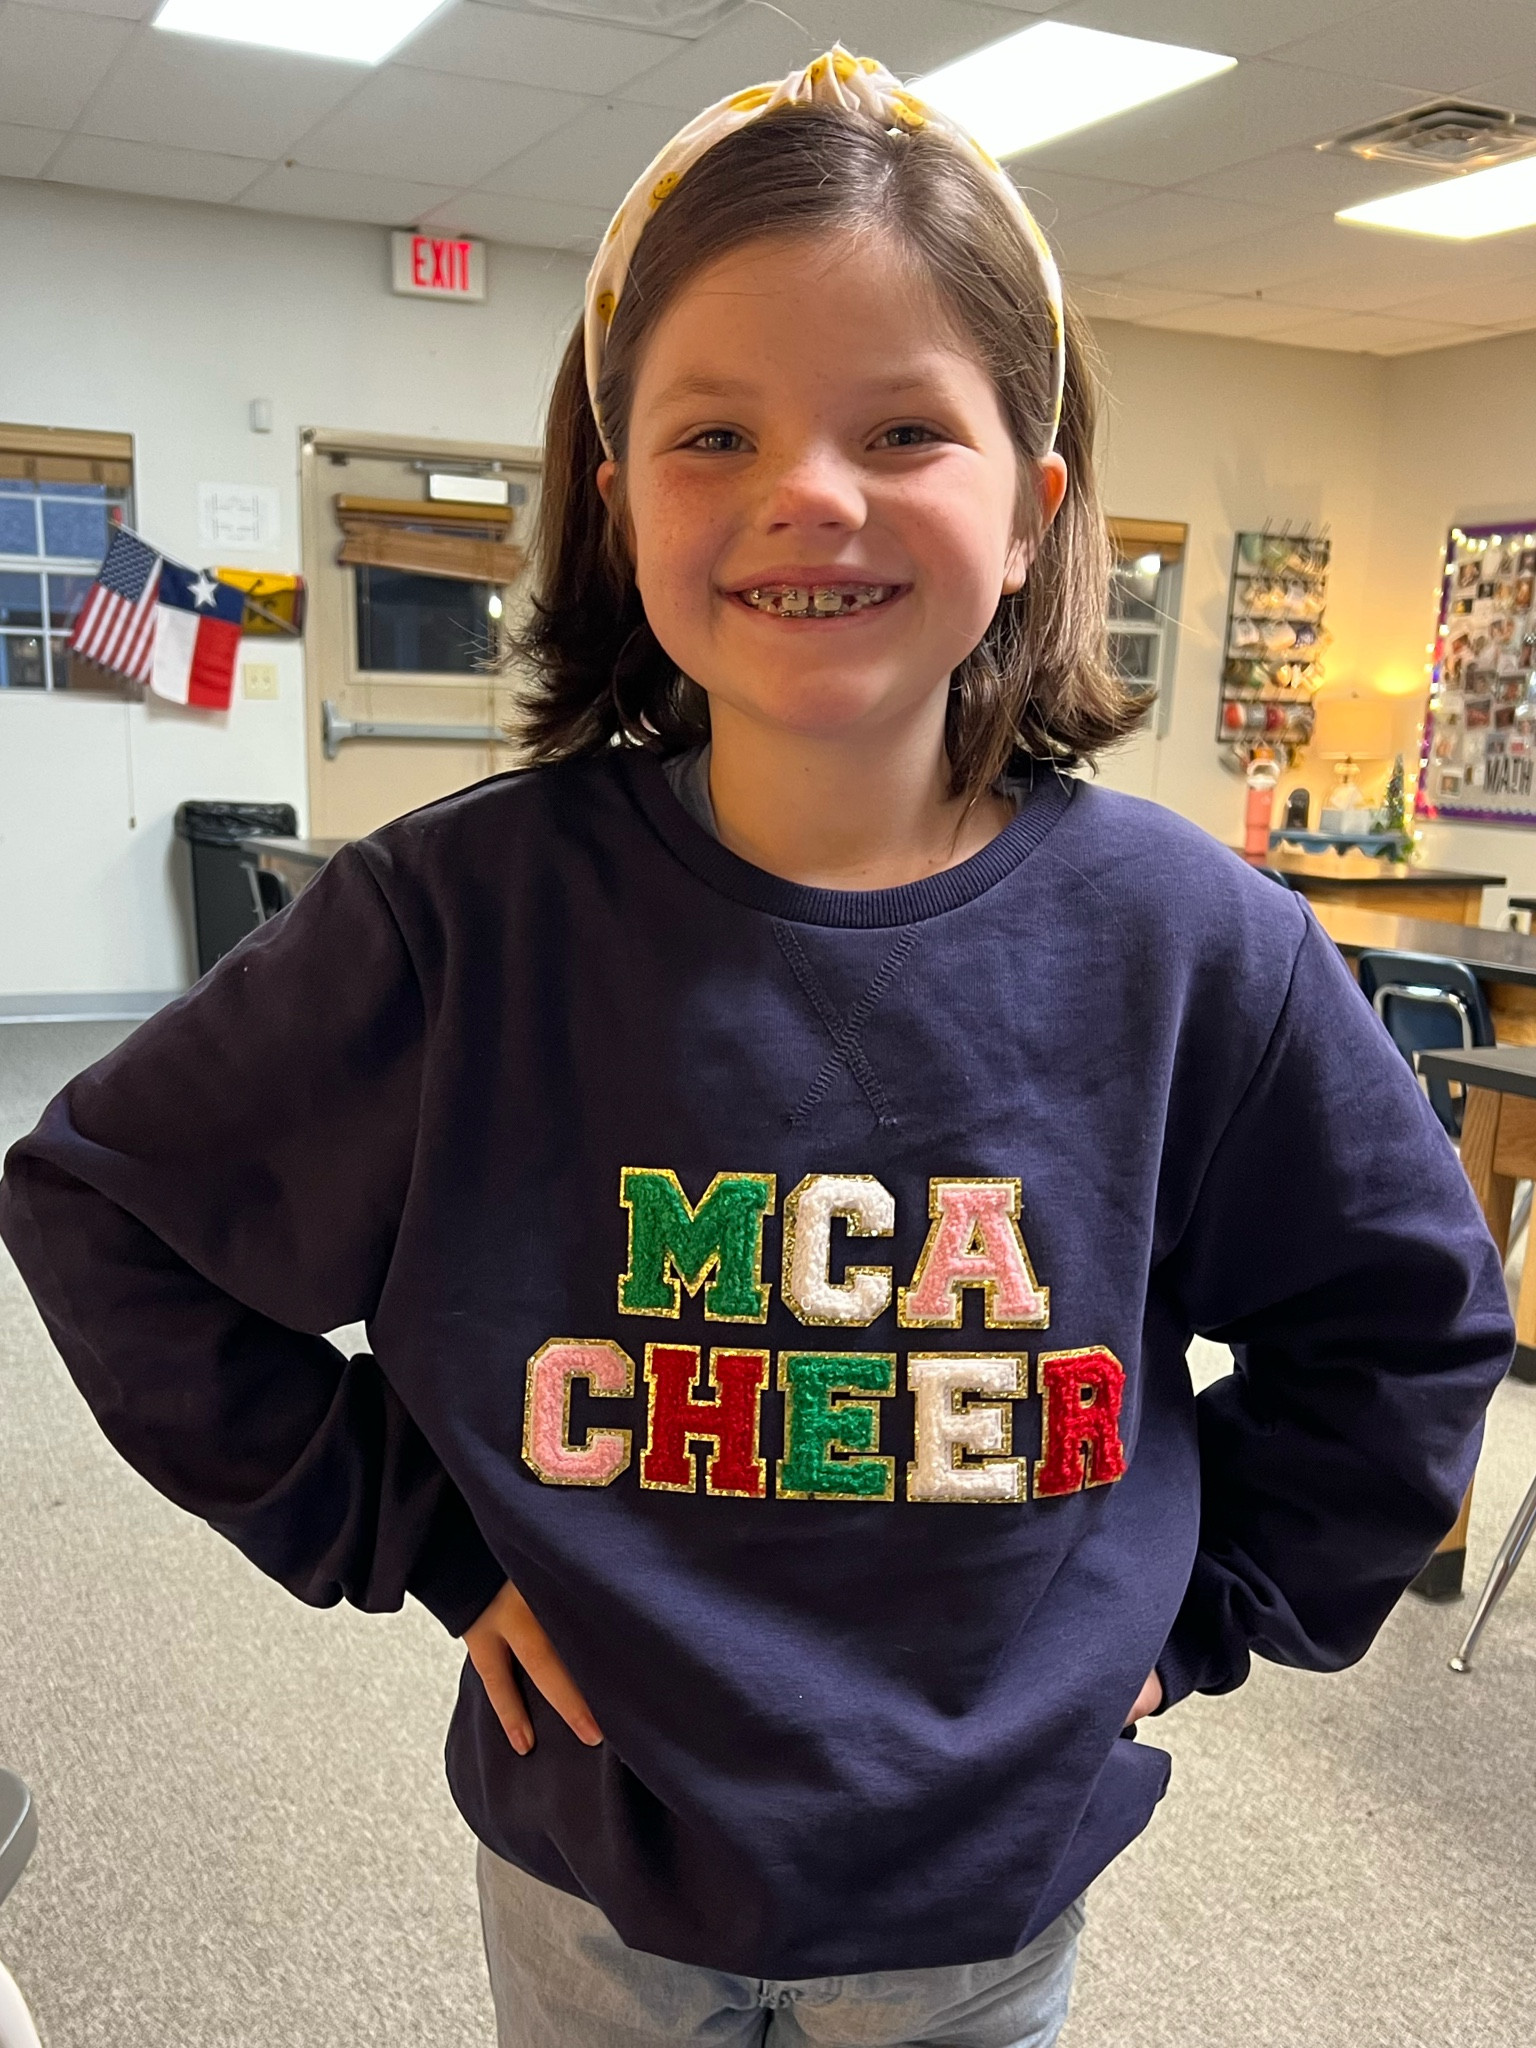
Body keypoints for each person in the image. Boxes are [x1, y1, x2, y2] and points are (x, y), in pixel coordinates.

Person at [0, 48, 1513, 2048]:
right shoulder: (455, 924)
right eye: (719, 432)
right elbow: (109, 1213)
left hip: (982, 1881)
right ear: (619, 496)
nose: (812, 488)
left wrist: (1200, 1607)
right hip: (598, 1857)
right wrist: (416, 1534)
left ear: (1035, 502)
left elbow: (1408, 1330)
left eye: (903, 425)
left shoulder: (1195, 945)